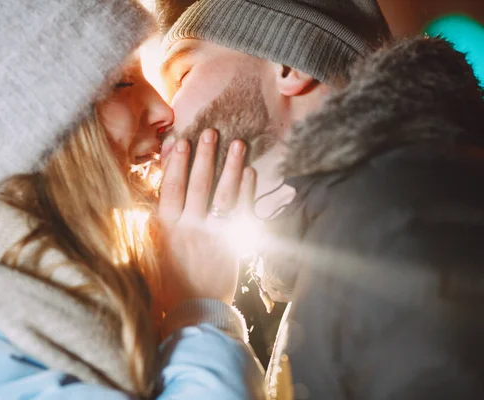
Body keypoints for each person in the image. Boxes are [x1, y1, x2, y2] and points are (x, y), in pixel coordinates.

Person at [0, 1, 265, 399]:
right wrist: (200, 312)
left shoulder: (93, 294)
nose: (163, 110)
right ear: (27, 128)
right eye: (121, 82)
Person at [158, 0, 484, 398]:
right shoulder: (356, 227)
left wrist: (201, 320)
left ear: (288, 68)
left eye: (183, 74)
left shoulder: (402, 224)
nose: (163, 114)